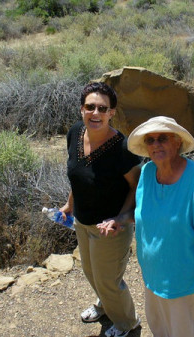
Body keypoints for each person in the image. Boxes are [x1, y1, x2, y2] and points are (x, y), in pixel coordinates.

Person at [127, 116, 194, 337]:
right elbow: (146, 213)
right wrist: (118, 221)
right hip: (154, 275)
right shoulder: (147, 173)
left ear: (177, 142)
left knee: (184, 331)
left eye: (163, 138)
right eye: (150, 140)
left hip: (186, 278)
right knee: (159, 327)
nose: (156, 145)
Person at [59, 82, 142, 337]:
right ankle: (105, 306)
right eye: (90, 107)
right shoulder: (75, 133)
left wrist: (120, 218)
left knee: (108, 280)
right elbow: (78, 176)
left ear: (111, 113)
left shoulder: (122, 148)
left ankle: (128, 322)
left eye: (102, 108)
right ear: (82, 109)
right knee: (91, 272)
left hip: (111, 228)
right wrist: (70, 205)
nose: (95, 113)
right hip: (83, 221)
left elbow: (135, 188)